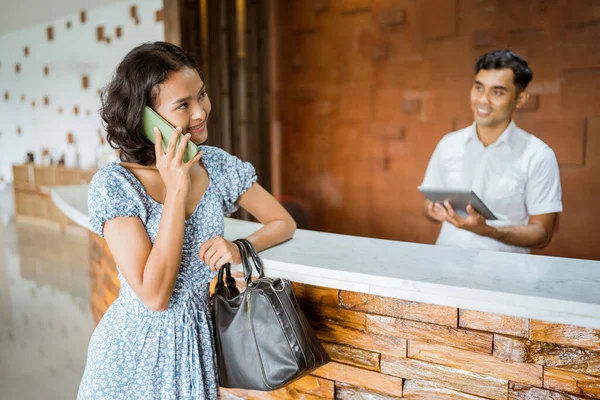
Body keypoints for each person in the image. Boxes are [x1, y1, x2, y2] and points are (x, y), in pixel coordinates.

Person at [78, 42, 296, 399]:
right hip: (131, 356)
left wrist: (240, 248)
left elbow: (282, 221)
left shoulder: (216, 165)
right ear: (144, 117)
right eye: (183, 105)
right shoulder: (115, 186)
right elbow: (155, 295)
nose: (200, 112)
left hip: (196, 345)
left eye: (202, 95)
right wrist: (176, 190)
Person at [421, 49, 562, 254]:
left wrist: (487, 230)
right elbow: (427, 206)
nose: (483, 100)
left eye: (497, 92)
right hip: (445, 267)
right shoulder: (448, 144)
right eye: (479, 88)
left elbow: (542, 233)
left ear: (521, 98)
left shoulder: (538, 155)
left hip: (504, 277)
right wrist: (434, 210)